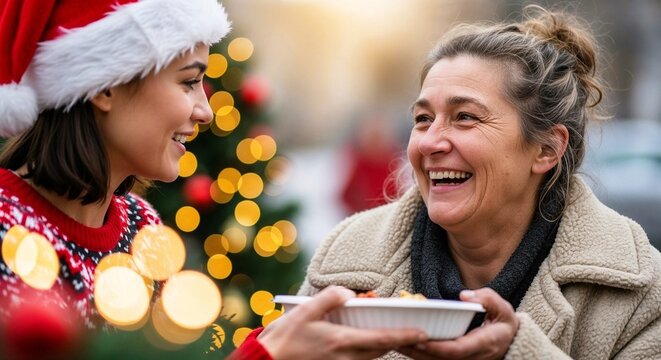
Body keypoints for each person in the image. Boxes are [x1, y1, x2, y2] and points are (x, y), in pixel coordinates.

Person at [0, 1, 426, 359]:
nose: (205, 111)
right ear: (104, 86)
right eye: (189, 82)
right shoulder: (7, 231)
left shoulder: (141, 227)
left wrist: (294, 335)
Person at [298, 5, 661, 359]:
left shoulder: (640, 293)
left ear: (547, 149)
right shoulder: (345, 263)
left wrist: (518, 352)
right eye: (423, 119)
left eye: (465, 117)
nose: (430, 142)